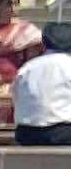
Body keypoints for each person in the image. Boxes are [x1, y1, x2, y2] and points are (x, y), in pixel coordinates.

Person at [13, 9, 71, 147]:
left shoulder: (26, 68)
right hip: (62, 132)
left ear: (44, 44)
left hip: (26, 133)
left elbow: (16, 98)